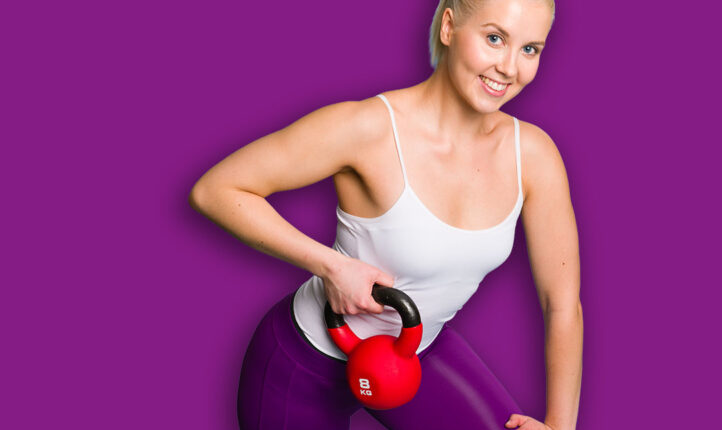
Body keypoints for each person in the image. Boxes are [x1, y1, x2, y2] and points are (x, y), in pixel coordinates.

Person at [189, 0, 582, 428]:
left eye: (530, 49)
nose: (509, 67)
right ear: (449, 27)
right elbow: (217, 190)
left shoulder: (535, 156)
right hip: (303, 365)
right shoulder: (368, 129)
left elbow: (561, 304)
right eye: (494, 38)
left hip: (414, 355)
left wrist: (561, 426)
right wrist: (331, 266)